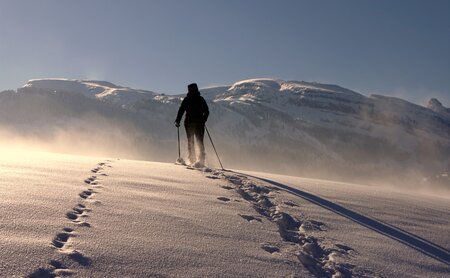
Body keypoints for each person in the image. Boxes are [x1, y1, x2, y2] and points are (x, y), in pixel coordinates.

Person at [175, 83, 209, 166]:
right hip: (199, 123)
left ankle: (192, 160)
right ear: (197, 89)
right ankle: (201, 161)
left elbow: (181, 111)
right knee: (200, 141)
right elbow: (207, 111)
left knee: (190, 141)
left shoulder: (187, 99)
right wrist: (204, 120)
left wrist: (177, 121)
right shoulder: (200, 99)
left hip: (189, 123)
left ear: (189, 90)